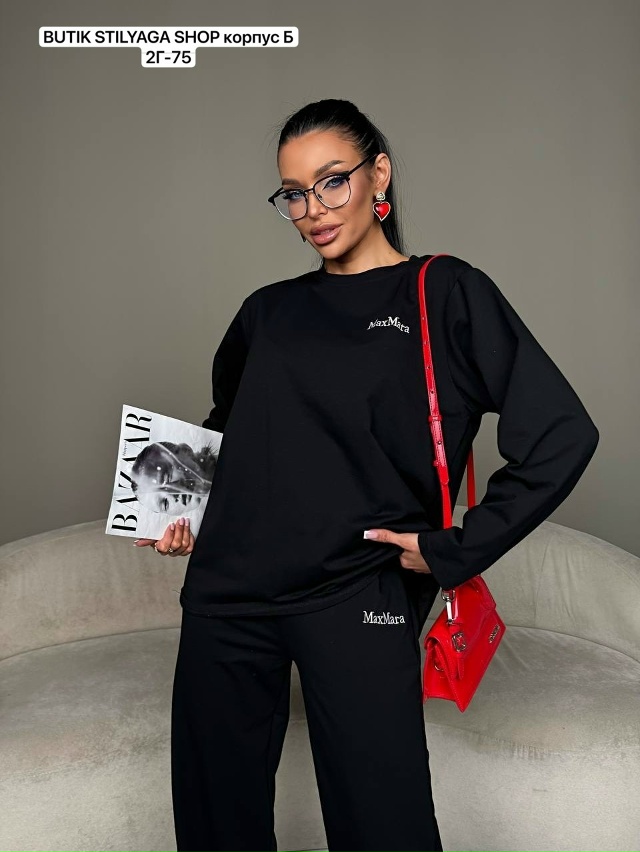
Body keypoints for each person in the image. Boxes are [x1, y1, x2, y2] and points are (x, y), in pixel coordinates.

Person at [133, 98, 599, 852]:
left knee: (385, 828)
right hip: (228, 594)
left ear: (378, 173)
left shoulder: (445, 292)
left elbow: (562, 433)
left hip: (358, 589)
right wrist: (174, 510)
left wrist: (454, 548)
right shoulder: (267, 312)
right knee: (216, 828)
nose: (313, 209)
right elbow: (231, 427)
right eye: (293, 193)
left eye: (332, 181)